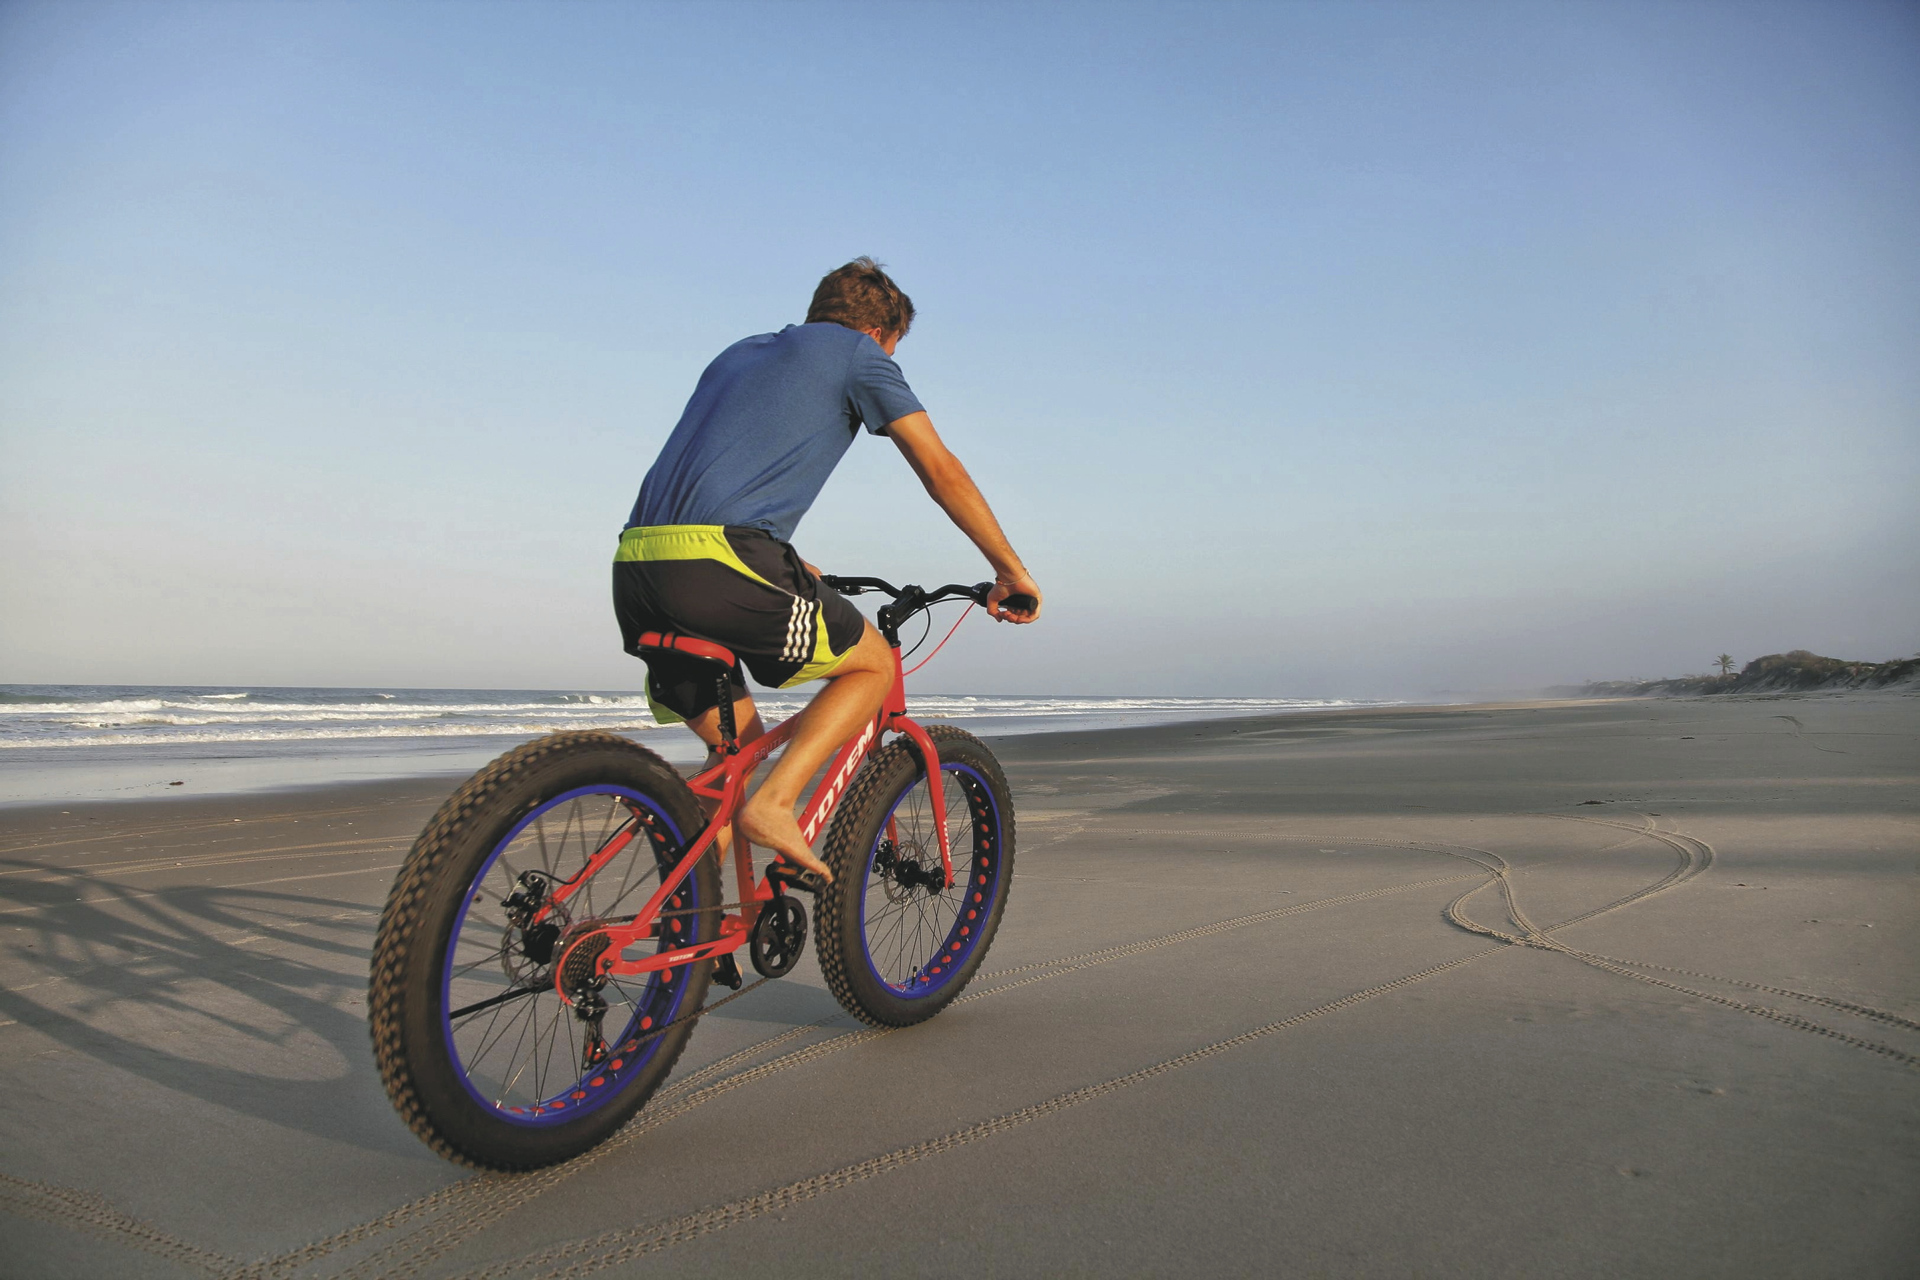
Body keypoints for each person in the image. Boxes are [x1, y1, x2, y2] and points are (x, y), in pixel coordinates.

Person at [613, 258, 1042, 886]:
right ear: (878, 332)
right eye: (894, 349)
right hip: (722, 562)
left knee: (734, 757)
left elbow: (724, 470)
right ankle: (776, 805)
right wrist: (1010, 570)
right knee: (873, 665)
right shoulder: (859, 354)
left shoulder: (739, 354)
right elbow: (939, 467)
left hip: (638, 568)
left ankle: (691, 920)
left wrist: (786, 559)